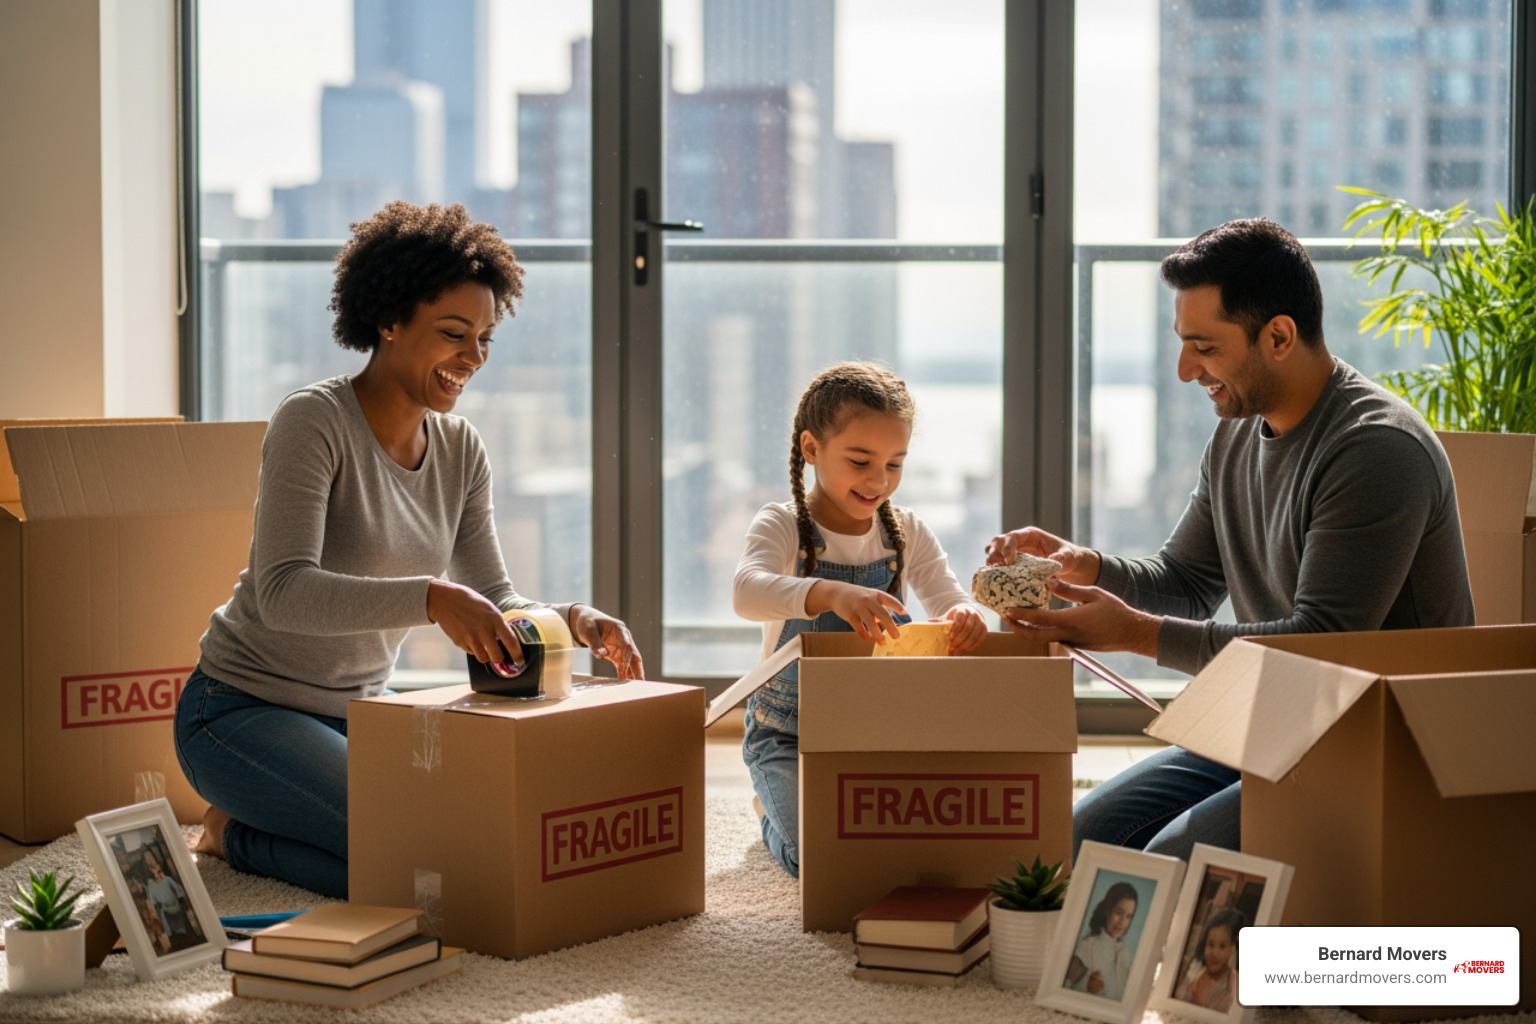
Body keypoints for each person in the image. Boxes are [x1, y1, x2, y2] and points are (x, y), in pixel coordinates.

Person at [174, 201, 644, 899]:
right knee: (415, 866)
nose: (473, 357)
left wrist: (572, 619)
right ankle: (231, 834)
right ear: (388, 319)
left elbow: (496, 596)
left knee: (475, 838)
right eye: (455, 334)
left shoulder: (460, 450)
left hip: (365, 710)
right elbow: (282, 591)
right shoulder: (313, 422)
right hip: (240, 708)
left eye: (485, 338)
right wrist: (429, 598)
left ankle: (269, 818)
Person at [986, 217, 1474, 860]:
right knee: (1075, 841)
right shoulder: (1239, 431)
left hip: (1374, 742)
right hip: (1275, 717)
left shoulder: (1375, 450)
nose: (1187, 370)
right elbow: (1186, 583)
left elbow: (1321, 648)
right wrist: (1087, 567)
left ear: (1277, 336)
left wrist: (1135, 634)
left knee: (1167, 864)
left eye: (1205, 347)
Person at [732, 362, 988, 876]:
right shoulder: (782, 524)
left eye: (895, 464)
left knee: (922, 843)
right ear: (811, 449)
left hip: (877, 725)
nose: (879, 480)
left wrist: (965, 616)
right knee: (822, 858)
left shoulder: (906, 532)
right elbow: (746, 592)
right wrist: (830, 593)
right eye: (860, 460)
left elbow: (948, 597)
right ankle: (769, 811)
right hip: (787, 732)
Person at [1065, 881, 1139, 1000]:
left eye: (1128, 916)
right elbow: (1063, 988)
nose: (1122, 922)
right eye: (1118, 913)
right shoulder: (1088, 946)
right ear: (1107, 910)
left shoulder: (1124, 950)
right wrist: (1087, 986)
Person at [1174, 906, 1245, 1011]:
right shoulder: (1194, 977)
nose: (1214, 953)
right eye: (1211, 945)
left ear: (1232, 949)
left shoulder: (1236, 984)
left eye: (1222, 946)